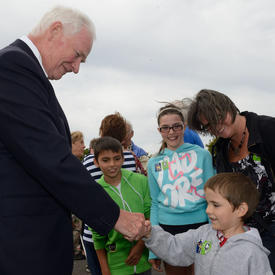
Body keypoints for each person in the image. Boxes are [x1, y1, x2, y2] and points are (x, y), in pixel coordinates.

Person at [0, 6, 147, 275]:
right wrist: (115, 217)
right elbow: (50, 159)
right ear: (55, 30)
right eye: (78, 55)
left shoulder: (26, 72)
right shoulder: (12, 67)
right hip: (22, 248)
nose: (77, 68)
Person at [187, 89, 275, 271]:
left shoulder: (268, 129)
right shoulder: (220, 150)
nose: (215, 126)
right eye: (208, 125)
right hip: (245, 234)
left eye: (217, 117)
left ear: (229, 106)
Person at [143, 173, 273, 275]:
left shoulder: (253, 252)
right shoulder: (203, 234)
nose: (208, 210)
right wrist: (150, 233)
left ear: (240, 210)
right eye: (207, 203)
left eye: (215, 205)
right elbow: (174, 247)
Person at [147, 103, 215, 275]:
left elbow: (212, 197)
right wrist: (153, 248)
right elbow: (155, 203)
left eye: (176, 126)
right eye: (165, 128)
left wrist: (214, 232)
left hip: (201, 228)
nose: (171, 132)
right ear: (159, 130)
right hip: (169, 231)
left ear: (184, 127)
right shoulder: (153, 163)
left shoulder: (203, 155)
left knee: (202, 271)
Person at [91, 136, 152, 275]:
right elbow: (97, 237)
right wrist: (105, 269)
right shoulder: (95, 192)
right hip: (116, 266)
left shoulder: (140, 181)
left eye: (117, 158)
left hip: (143, 261)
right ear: (96, 162)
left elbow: (151, 217)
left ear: (123, 158)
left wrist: (140, 247)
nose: (112, 164)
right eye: (105, 160)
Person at [71, 131, 86, 260]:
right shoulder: (69, 165)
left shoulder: (76, 164)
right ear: (72, 144)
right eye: (81, 142)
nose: (84, 146)